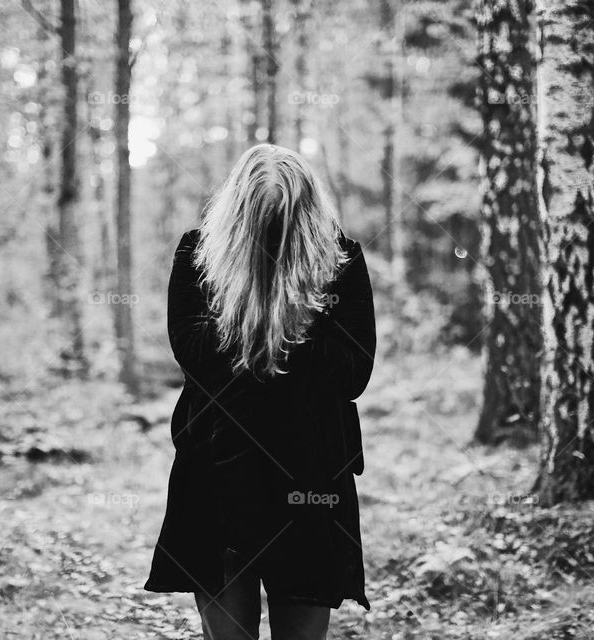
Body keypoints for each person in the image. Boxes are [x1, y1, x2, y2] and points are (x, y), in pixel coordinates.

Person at [144, 144, 377, 640]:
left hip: (311, 481)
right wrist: (261, 316)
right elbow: (193, 352)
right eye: (262, 222)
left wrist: (281, 320)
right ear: (241, 215)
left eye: (284, 222)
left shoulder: (342, 260)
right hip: (217, 477)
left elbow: (354, 371)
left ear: (305, 213)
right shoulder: (196, 255)